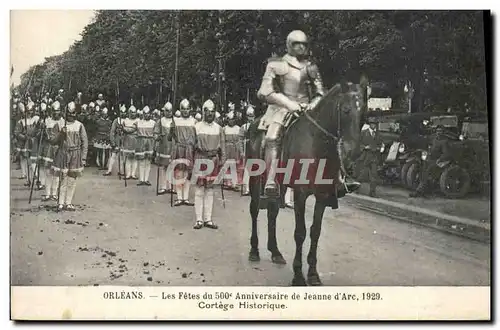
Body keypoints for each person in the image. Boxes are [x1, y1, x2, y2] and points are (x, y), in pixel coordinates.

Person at [192, 99, 225, 229]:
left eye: (212, 112)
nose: (210, 114)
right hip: (200, 159)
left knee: (210, 190)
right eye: (207, 112)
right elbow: (191, 145)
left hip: (214, 160)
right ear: (203, 112)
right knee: (199, 189)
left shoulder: (219, 128)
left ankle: (208, 219)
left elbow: (222, 146)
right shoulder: (197, 127)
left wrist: (223, 161)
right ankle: (199, 219)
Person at [50, 101, 88, 211]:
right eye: (69, 113)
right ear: (65, 113)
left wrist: (83, 157)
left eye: (73, 113)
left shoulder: (80, 125)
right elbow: (53, 141)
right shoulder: (60, 124)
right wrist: (61, 133)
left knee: (72, 179)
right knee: (63, 178)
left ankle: (69, 202)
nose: (71, 116)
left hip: (75, 154)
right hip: (63, 153)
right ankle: (60, 203)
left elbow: (84, 142)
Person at [410, 125, 452, 198]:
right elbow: (429, 145)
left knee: (428, 171)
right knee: (421, 168)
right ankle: (422, 188)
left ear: (443, 132)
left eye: (440, 131)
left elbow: (446, 154)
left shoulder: (444, 141)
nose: (439, 133)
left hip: (438, 160)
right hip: (430, 159)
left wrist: (439, 159)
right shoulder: (434, 139)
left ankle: (419, 191)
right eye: (437, 131)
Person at [170, 99, 196, 206]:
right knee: (179, 173)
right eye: (183, 109)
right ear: (180, 109)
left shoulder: (194, 121)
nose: (185, 111)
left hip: (189, 149)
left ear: (190, 109)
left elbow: (196, 136)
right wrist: (171, 129)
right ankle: (179, 197)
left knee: (188, 173)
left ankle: (186, 197)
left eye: (187, 109)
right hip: (179, 148)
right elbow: (170, 137)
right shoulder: (176, 121)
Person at [41, 101, 63, 201]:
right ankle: (47, 193)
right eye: (54, 111)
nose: (56, 113)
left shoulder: (63, 121)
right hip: (48, 148)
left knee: (57, 172)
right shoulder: (47, 121)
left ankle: (54, 193)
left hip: (58, 148)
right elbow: (44, 135)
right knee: (48, 171)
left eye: (58, 111)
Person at [153, 102, 175, 194]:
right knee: (163, 167)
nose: (169, 113)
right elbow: (155, 132)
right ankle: (163, 186)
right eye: (167, 111)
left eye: (170, 111)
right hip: (163, 145)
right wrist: (157, 137)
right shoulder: (160, 121)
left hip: (172, 146)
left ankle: (171, 186)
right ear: (164, 111)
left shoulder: (175, 121)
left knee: (172, 167)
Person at [359, 117, 383, 197]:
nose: (374, 126)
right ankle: (355, 188)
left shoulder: (378, 134)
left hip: (374, 156)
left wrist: (379, 148)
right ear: (369, 125)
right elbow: (358, 144)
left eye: (375, 124)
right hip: (365, 156)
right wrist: (364, 147)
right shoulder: (363, 133)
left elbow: (380, 144)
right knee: (362, 174)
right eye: (372, 124)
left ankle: (372, 192)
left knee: (374, 175)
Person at [135, 106, 156, 186]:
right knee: (141, 161)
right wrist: (123, 129)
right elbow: (132, 130)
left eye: (148, 114)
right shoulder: (138, 122)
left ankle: (146, 179)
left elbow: (156, 133)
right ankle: (141, 179)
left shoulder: (153, 123)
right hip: (141, 142)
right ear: (143, 114)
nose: (147, 115)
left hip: (150, 142)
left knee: (148, 161)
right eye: (145, 114)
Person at [238, 105, 256, 195]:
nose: (250, 118)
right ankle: (247, 188)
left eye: (252, 116)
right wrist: (241, 151)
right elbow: (240, 140)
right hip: (247, 148)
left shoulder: (257, 125)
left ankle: (254, 188)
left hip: (255, 149)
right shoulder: (243, 127)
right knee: (247, 170)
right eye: (249, 116)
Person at [105, 105, 127, 176]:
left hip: (125, 140)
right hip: (117, 139)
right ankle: (109, 170)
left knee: (122, 156)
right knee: (113, 156)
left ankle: (121, 171)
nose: (123, 114)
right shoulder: (116, 120)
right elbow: (112, 131)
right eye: (121, 112)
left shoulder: (127, 120)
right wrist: (113, 142)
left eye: (124, 112)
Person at [222, 111, 241, 191]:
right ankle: (227, 182)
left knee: (235, 167)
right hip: (227, 148)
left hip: (235, 148)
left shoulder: (238, 128)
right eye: (230, 119)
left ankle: (235, 183)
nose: (231, 121)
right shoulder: (224, 129)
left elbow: (240, 140)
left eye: (232, 119)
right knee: (227, 166)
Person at [121, 105, 139, 179]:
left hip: (135, 139)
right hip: (127, 140)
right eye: (131, 112)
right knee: (128, 158)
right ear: (129, 112)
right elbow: (122, 131)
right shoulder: (125, 121)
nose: (133, 114)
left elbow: (132, 130)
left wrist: (124, 129)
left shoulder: (138, 121)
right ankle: (128, 174)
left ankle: (133, 174)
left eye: (134, 112)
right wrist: (121, 130)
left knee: (135, 158)